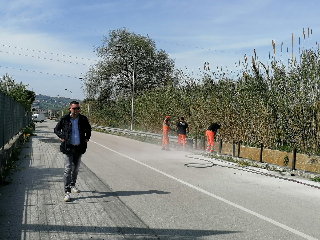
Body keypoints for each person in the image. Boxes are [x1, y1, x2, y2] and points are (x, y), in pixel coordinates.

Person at [54, 101, 91, 202]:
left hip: (79, 148)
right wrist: (62, 137)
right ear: (70, 109)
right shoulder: (64, 119)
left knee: (76, 169)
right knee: (68, 169)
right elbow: (56, 129)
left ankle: (73, 184)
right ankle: (67, 192)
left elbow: (89, 129)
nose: (76, 110)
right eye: (74, 108)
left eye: (78, 108)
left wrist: (87, 138)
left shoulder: (83, 119)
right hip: (68, 148)